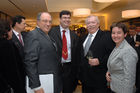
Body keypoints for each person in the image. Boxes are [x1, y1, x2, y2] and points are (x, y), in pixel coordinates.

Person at [24, 12, 62, 93]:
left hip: (50, 79)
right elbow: (30, 62)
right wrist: (36, 86)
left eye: (50, 21)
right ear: (37, 22)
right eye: (45, 21)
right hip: (43, 81)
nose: (48, 24)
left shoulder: (47, 35)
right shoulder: (33, 35)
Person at [78, 15, 115, 93]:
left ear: (98, 24)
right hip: (85, 79)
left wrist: (100, 61)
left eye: (93, 22)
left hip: (99, 79)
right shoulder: (83, 38)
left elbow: (113, 54)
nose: (90, 25)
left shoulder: (106, 36)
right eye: (88, 23)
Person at [49, 10, 79, 93]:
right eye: (64, 18)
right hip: (55, 66)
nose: (67, 20)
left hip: (69, 67)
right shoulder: (51, 32)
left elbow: (76, 53)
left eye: (69, 18)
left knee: (68, 89)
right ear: (60, 19)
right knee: (54, 89)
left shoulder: (74, 35)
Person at [106, 22, 138, 93]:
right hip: (114, 87)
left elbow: (129, 79)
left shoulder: (128, 51)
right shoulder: (117, 46)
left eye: (119, 33)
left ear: (125, 34)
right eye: (113, 33)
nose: (115, 35)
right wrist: (108, 72)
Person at [0, 19, 26, 93]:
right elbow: (13, 71)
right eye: (11, 29)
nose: (12, 32)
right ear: (6, 31)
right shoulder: (7, 45)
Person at [11, 15, 27, 90]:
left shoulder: (25, 35)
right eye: (24, 23)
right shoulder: (9, 37)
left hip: (26, 71)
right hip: (16, 73)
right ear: (17, 24)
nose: (25, 25)